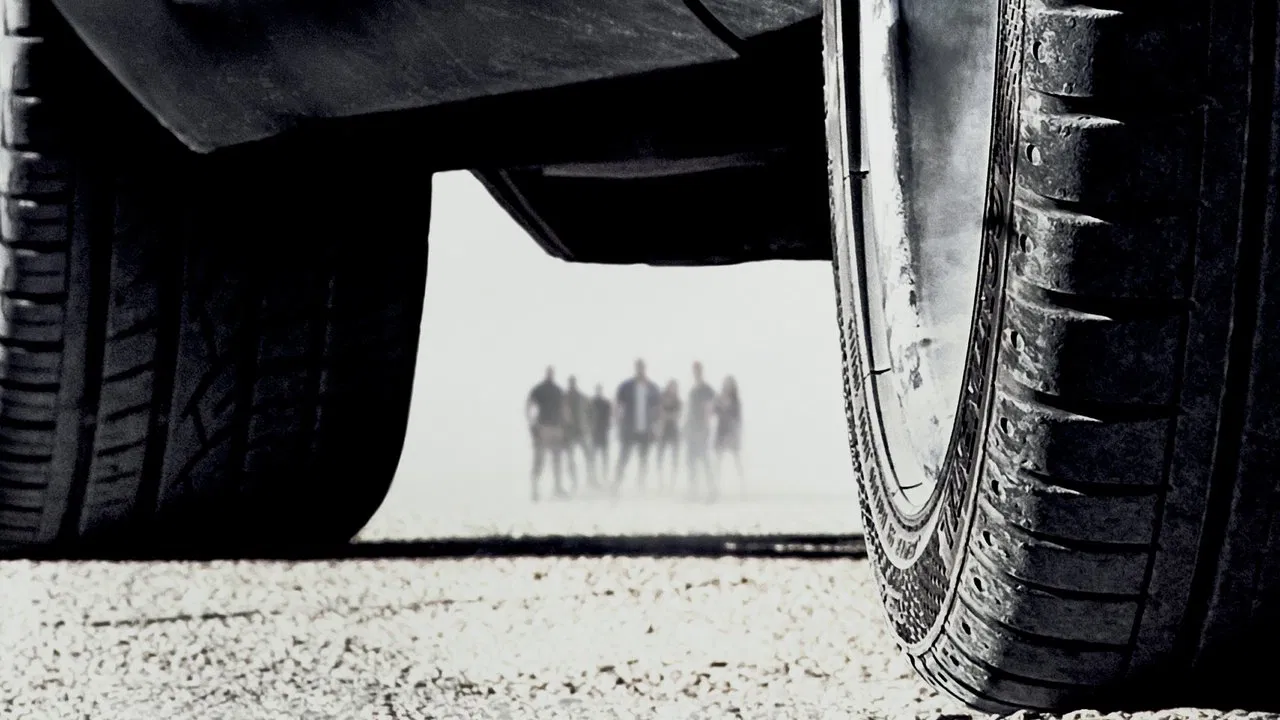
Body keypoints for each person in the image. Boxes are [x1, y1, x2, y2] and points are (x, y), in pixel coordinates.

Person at [613, 358, 661, 494]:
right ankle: (616, 485)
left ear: (645, 368)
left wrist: (657, 426)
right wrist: (618, 423)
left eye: (642, 367)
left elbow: (658, 409)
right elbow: (617, 406)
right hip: (629, 429)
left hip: (646, 429)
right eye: (638, 367)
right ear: (635, 368)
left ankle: (641, 486)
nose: (640, 370)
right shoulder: (626, 386)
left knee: (644, 460)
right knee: (623, 458)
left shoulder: (652, 387)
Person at [526, 366, 568, 501]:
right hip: (543, 428)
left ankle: (557, 488)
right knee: (539, 461)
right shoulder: (539, 389)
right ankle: (535, 490)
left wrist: (564, 427)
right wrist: (532, 423)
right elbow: (529, 405)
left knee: (557, 460)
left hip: (555, 428)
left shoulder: (557, 390)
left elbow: (564, 408)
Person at [684, 361, 718, 499]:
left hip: (701, 428)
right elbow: (690, 410)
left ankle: (712, 489)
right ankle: (693, 490)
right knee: (691, 460)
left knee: (704, 459)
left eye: (697, 370)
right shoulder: (693, 390)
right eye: (694, 370)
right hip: (692, 427)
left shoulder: (706, 389)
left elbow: (710, 408)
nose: (695, 373)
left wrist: (705, 425)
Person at [713, 375, 744, 496]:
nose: (727, 387)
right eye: (726, 384)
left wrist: (735, 434)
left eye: (729, 384)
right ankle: (716, 487)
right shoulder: (719, 398)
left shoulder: (735, 401)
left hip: (732, 432)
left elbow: (738, 418)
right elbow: (714, 411)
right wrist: (719, 406)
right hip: (721, 431)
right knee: (718, 461)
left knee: (737, 460)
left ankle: (742, 486)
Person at [561, 375, 589, 491]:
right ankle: (574, 482)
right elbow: (560, 414)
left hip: (581, 431)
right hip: (569, 433)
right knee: (570, 458)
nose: (572, 384)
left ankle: (590, 480)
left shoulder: (582, 397)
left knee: (588, 456)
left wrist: (588, 426)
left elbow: (591, 412)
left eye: (573, 382)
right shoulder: (564, 398)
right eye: (570, 382)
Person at [653, 379, 683, 489]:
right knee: (660, 457)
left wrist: (667, 415)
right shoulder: (661, 399)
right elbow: (659, 414)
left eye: (674, 387)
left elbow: (677, 416)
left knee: (675, 457)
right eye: (671, 387)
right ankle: (660, 482)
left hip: (673, 431)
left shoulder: (678, 401)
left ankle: (672, 483)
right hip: (663, 430)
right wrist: (667, 416)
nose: (673, 389)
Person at [587, 384, 612, 487]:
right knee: (597, 457)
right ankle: (594, 478)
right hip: (597, 433)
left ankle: (603, 476)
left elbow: (609, 417)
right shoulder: (593, 403)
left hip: (601, 432)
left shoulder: (604, 403)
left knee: (602, 457)